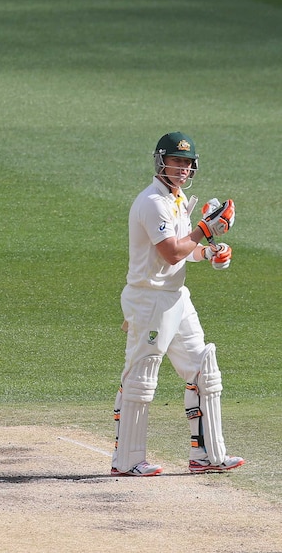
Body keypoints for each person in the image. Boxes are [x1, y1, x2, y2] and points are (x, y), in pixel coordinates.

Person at [111, 131, 244, 476]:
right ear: (161, 162)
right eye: (176, 161)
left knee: (204, 369)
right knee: (141, 378)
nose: (182, 168)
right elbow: (170, 253)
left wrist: (209, 251)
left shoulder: (177, 199)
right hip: (148, 297)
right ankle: (126, 461)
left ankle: (206, 456)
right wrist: (205, 229)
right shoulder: (152, 202)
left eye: (187, 163)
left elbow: (185, 250)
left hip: (175, 296)